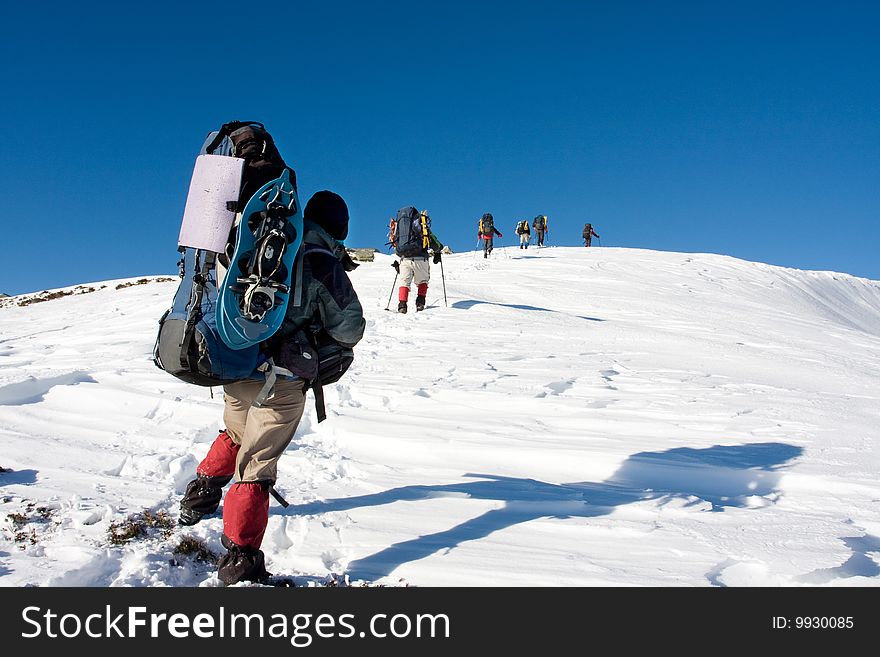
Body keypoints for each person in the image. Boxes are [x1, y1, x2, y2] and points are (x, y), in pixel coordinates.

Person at [178, 190, 366, 585]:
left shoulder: (264, 244)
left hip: (238, 362)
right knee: (257, 464)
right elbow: (350, 327)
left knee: (234, 433)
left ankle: (198, 499)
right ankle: (240, 562)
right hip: (281, 380)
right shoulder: (320, 261)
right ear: (340, 227)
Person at [392, 207, 443, 313]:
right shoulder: (419, 222)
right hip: (421, 258)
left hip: (405, 258)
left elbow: (395, 242)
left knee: (404, 283)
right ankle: (420, 303)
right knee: (423, 281)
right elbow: (431, 239)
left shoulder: (400, 225)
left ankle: (402, 305)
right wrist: (438, 250)